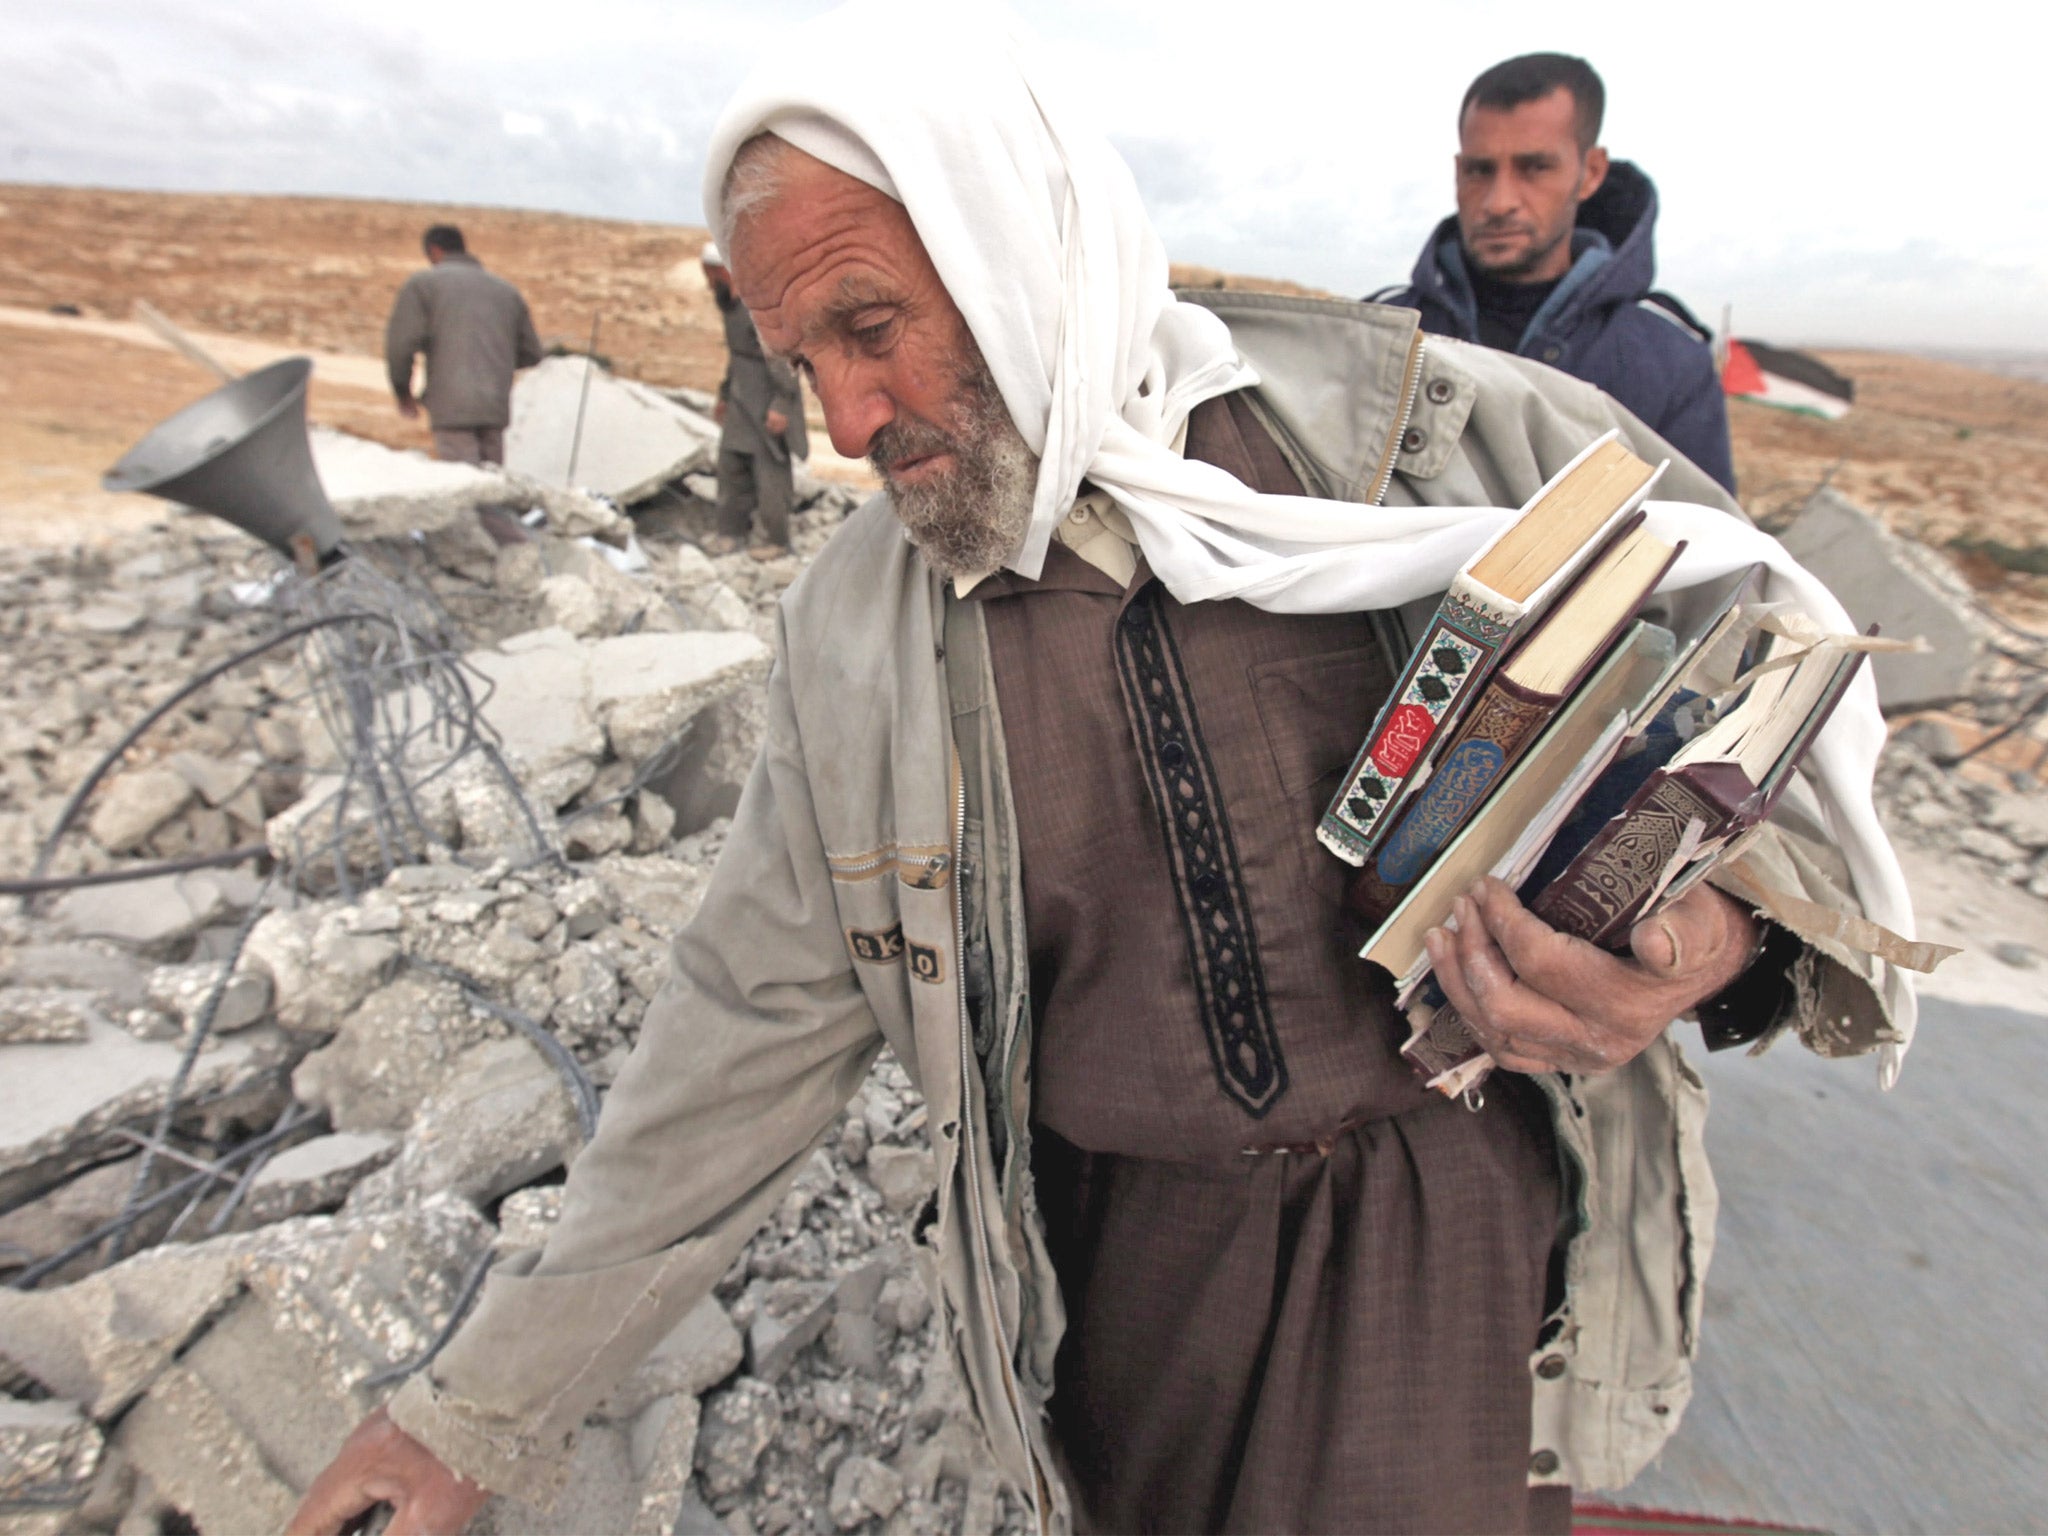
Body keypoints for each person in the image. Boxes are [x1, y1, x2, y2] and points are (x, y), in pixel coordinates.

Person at [292, 6, 1920, 1533]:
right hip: (1117, 1299)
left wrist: (1693, 947)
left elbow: (1778, 717)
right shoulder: (860, 633)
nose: (847, 416)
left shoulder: (1424, 440)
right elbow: (733, 1037)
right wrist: (472, 1412)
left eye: (872, 328)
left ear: (1015, 251)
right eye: (798, 361)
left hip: (1437, 1253)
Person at [1373, 53, 1737, 493]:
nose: (1498, 200)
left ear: (1591, 173)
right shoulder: (1379, 335)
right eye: (1479, 170)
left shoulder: (1672, 364)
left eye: (1535, 168)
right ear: (1457, 171)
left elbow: (1702, 548)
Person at [384, 224, 544, 465]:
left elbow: (401, 346)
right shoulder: (506, 291)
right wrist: (493, 364)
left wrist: (403, 392)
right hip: (494, 407)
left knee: (464, 484)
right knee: (494, 488)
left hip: (451, 407)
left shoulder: (423, 284)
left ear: (434, 251)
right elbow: (531, 353)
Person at [703, 240, 810, 559]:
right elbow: (736, 357)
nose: (709, 283)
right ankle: (730, 532)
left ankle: (775, 540)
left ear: (723, 270)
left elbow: (782, 359)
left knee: (770, 473)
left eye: (711, 275)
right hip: (740, 399)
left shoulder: (758, 308)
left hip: (767, 400)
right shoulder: (728, 305)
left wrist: (781, 405)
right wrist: (724, 395)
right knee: (731, 464)